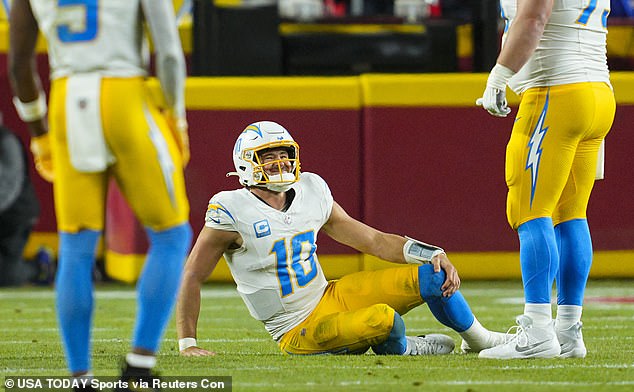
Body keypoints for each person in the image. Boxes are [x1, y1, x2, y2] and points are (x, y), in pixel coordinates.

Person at [176, 121, 505, 357]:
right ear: (246, 164)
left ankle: (479, 340)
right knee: (385, 321)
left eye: (284, 154)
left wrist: (430, 252)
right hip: (296, 328)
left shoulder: (310, 189)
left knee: (434, 274)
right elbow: (192, 275)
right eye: (268, 157)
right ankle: (408, 348)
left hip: (329, 295)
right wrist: (188, 344)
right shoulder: (231, 209)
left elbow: (372, 240)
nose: (281, 163)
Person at [8, 0, 192, 386]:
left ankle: (80, 376)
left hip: (65, 100)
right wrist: (176, 115)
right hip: (124, 94)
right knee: (172, 235)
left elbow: (19, 67)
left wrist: (39, 133)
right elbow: (170, 54)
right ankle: (140, 364)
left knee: (75, 246)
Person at [476, 0, 615, 359]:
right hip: (596, 92)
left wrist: (500, 74)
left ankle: (538, 328)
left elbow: (535, 17)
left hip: (556, 90)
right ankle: (568, 330)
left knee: (529, 209)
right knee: (571, 214)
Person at [0, 124, 40, 287]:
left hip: (16, 216)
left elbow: (10, 185)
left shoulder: (6, 141)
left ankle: (40, 267)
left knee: (6, 278)